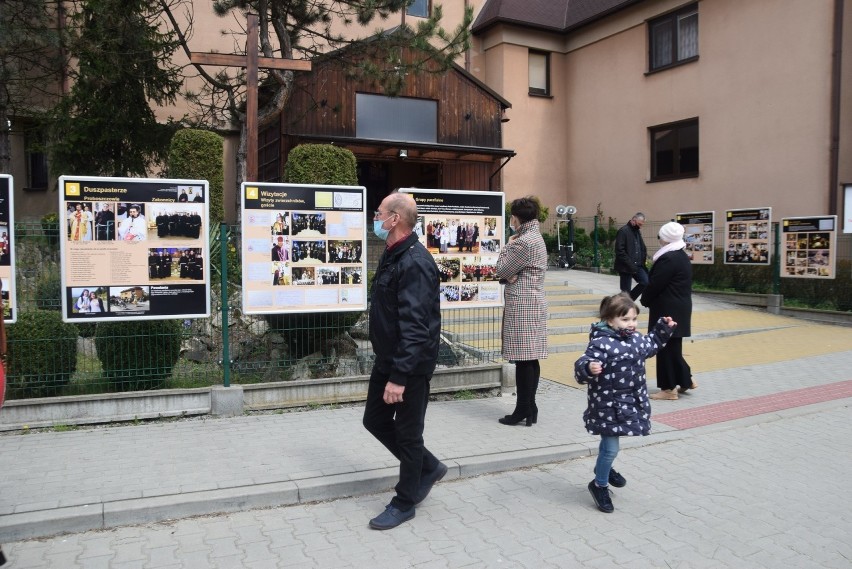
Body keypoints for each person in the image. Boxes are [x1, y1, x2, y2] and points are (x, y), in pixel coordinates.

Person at [362, 191, 447, 531]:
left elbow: (416, 328)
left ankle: (405, 501)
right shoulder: (393, 253)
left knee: (409, 435)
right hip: (389, 359)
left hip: (409, 366)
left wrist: (399, 377)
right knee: (375, 420)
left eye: (379, 212)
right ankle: (428, 467)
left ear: (394, 218)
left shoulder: (415, 262)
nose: (376, 217)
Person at [574, 293, 676, 513]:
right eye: (625, 320)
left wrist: (663, 329)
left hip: (628, 403)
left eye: (634, 319)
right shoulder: (601, 342)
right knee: (611, 448)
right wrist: (589, 367)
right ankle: (599, 484)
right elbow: (582, 363)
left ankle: (604, 468)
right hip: (607, 405)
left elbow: (652, 344)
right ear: (610, 320)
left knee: (608, 448)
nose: (631, 324)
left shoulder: (636, 339)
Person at [495, 197, 548, 426]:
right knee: (530, 358)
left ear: (515, 218)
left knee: (522, 359)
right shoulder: (536, 237)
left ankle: (522, 409)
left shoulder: (521, 242)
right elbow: (508, 272)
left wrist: (507, 244)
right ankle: (530, 407)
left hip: (521, 304)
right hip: (534, 301)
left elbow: (500, 269)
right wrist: (509, 275)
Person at [641, 221, 696, 400]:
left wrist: (645, 299)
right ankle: (685, 380)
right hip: (679, 307)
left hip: (667, 310)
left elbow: (655, 284)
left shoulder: (668, 258)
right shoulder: (680, 255)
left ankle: (668, 388)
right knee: (672, 348)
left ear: (664, 238)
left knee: (664, 348)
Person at [614, 213, 648, 300]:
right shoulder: (623, 231)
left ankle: (628, 301)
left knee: (645, 282)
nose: (640, 226)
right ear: (633, 220)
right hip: (625, 266)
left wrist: (642, 260)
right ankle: (622, 304)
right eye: (639, 224)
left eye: (641, 225)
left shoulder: (637, 232)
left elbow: (641, 247)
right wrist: (630, 264)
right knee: (626, 291)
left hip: (638, 265)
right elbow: (619, 250)